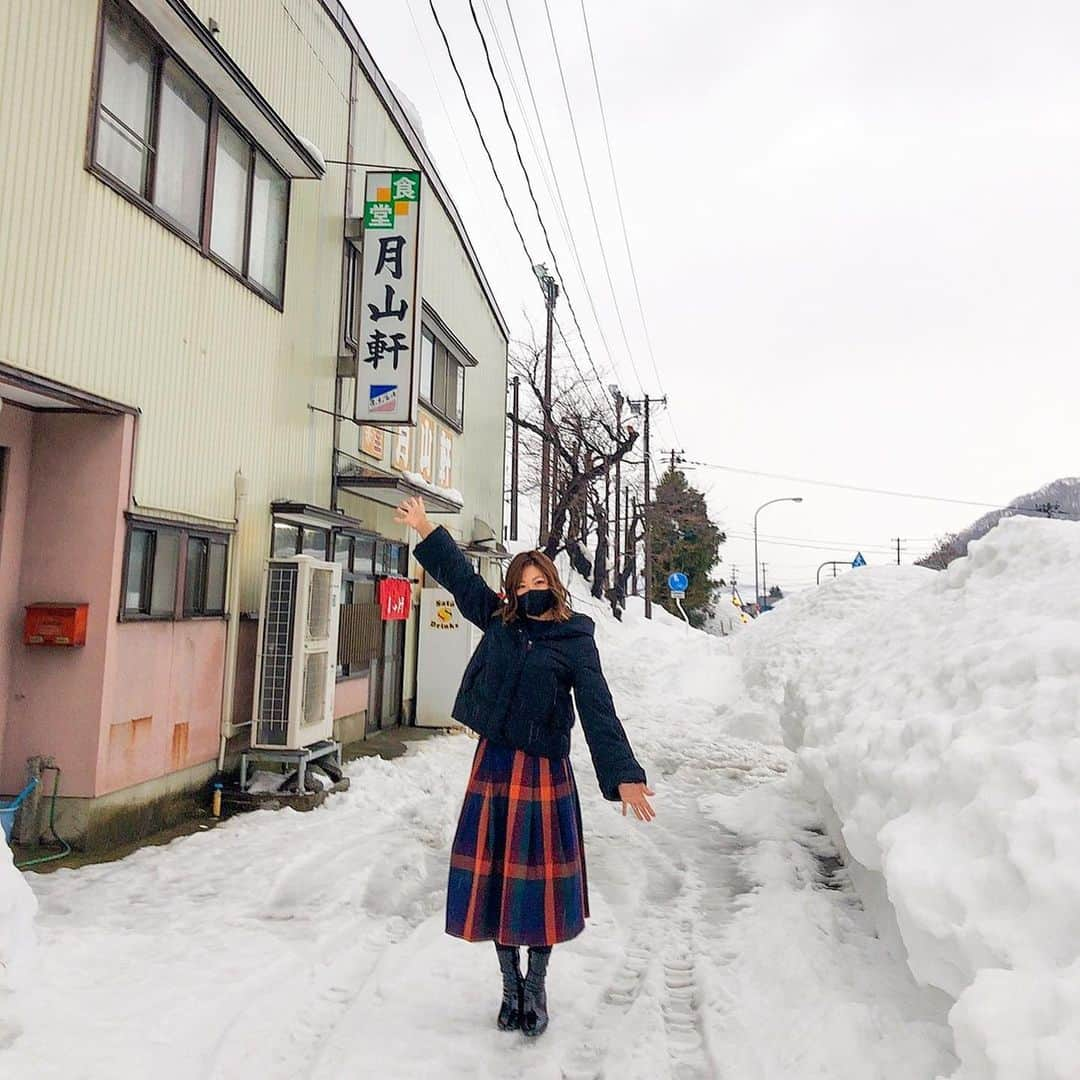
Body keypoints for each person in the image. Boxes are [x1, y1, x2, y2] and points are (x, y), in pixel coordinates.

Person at [395, 496, 655, 1039]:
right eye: (522, 584)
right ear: (511, 590)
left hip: (542, 774)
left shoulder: (574, 637)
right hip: (494, 766)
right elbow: (462, 580)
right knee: (496, 881)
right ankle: (508, 986)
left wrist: (624, 774)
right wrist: (425, 527)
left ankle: (536, 983)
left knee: (534, 889)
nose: (530, 591)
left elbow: (598, 707)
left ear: (554, 586)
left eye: (540, 583)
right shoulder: (501, 620)